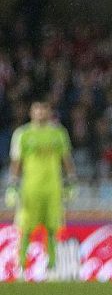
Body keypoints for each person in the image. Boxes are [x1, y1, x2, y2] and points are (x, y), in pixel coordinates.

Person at [6, 101, 77, 281]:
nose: (40, 113)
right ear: (31, 112)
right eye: (37, 109)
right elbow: (16, 162)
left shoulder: (58, 133)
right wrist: (12, 186)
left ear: (49, 112)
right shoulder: (22, 134)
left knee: (53, 229)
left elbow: (66, 159)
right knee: (25, 229)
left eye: (44, 109)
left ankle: (52, 268)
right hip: (30, 190)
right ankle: (21, 269)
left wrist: (71, 182)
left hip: (53, 189)